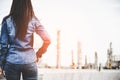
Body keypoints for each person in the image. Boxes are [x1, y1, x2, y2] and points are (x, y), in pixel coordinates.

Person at [0, 0, 51, 80]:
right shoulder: (33, 20)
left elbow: (3, 46)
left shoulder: (7, 20)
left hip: (12, 61)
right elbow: (48, 39)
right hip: (30, 61)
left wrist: (1, 64)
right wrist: (39, 53)